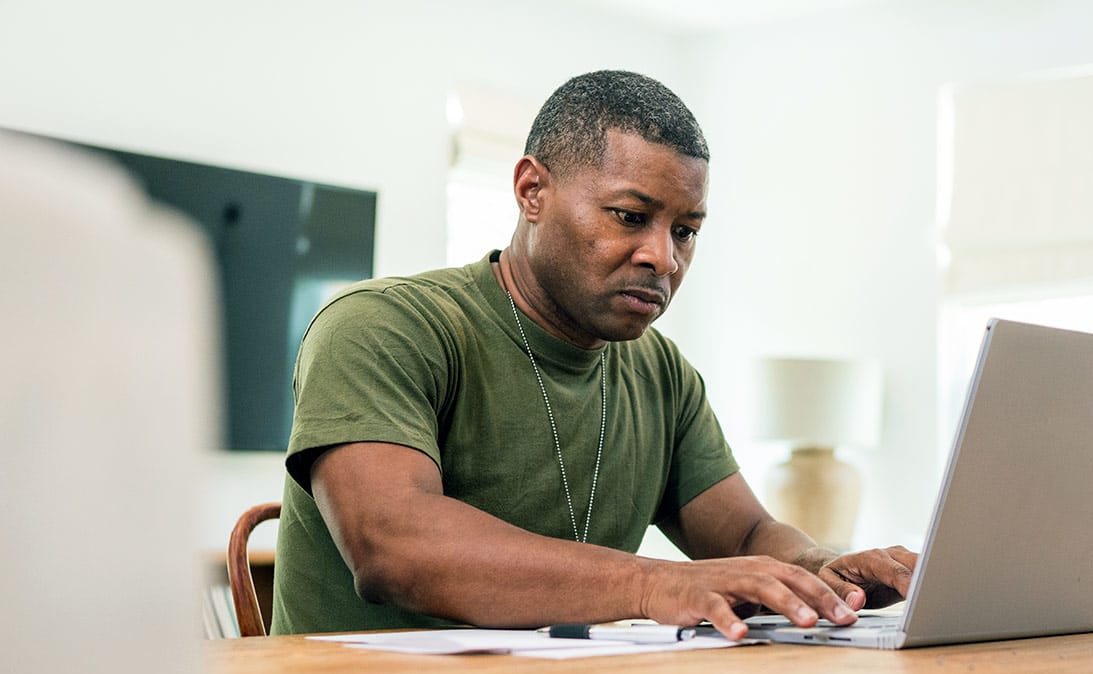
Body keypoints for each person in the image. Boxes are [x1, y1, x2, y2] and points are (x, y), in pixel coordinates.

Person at [271, 70, 917, 637]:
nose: (663, 257)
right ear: (532, 191)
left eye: (685, 231)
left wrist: (819, 569)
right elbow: (394, 546)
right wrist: (649, 584)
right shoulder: (383, 327)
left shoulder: (661, 374)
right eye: (630, 217)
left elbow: (746, 536)